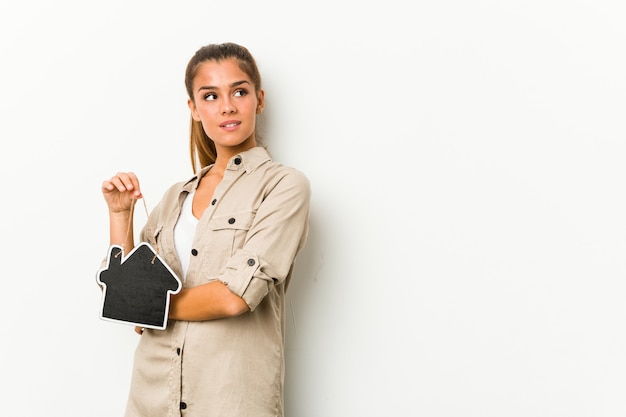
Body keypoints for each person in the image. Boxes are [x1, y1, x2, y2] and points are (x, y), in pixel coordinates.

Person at [100, 42, 311, 417]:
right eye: (210, 96)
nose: (227, 106)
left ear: (258, 101)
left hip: (230, 399)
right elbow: (125, 300)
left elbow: (235, 297)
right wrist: (121, 215)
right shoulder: (173, 199)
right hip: (152, 397)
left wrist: (148, 305)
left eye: (239, 91)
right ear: (194, 109)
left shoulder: (283, 186)